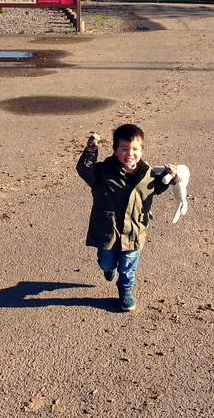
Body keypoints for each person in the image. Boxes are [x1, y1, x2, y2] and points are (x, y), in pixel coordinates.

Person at [76, 124, 174, 312]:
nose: (130, 153)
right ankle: (108, 268)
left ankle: (125, 290)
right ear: (115, 150)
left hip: (135, 229)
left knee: (129, 265)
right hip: (107, 228)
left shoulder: (147, 173)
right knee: (106, 260)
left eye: (135, 149)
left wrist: (169, 177)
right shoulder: (103, 171)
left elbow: (157, 188)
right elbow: (84, 171)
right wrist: (90, 152)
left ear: (142, 150)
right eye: (124, 149)